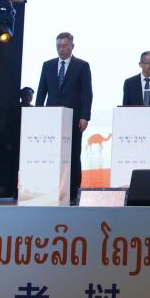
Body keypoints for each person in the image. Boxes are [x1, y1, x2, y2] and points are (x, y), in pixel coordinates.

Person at [34, 31, 93, 205]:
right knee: (50, 155)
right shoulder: (48, 65)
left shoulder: (82, 66)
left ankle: (74, 194)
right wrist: (38, 114)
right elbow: (41, 91)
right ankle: (50, 191)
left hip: (73, 119)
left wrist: (85, 116)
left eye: (65, 45)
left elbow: (88, 93)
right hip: (51, 119)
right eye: (58, 45)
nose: (61, 49)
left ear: (72, 46)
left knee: (73, 155)